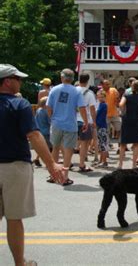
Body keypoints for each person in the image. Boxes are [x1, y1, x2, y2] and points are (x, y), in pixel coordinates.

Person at [0, 64, 65, 266]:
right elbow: (34, 135)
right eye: (17, 78)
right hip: (15, 166)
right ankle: (20, 263)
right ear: (7, 81)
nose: (21, 81)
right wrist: (52, 164)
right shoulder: (20, 105)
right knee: (14, 218)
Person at [46, 68, 88, 186]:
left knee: (55, 147)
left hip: (56, 123)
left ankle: (53, 175)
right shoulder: (76, 91)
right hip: (70, 123)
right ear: (72, 79)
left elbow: (48, 107)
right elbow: (82, 108)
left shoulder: (54, 89)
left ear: (62, 77)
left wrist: (52, 118)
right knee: (68, 149)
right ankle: (64, 176)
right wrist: (85, 122)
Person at [118, 80, 138, 169]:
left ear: (132, 87)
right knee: (136, 143)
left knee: (123, 143)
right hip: (137, 120)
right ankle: (134, 165)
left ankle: (120, 164)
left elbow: (120, 104)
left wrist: (123, 111)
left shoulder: (127, 96)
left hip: (127, 119)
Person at [76, 73, 96, 172]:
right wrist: (94, 121)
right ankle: (81, 164)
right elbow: (92, 109)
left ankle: (67, 162)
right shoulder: (89, 93)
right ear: (88, 81)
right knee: (85, 143)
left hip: (72, 119)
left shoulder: (73, 91)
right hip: (85, 120)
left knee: (69, 142)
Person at [33, 97, 51, 167]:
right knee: (50, 148)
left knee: (44, 147)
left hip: (40, 130)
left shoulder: (38, 110)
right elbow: (49, 122)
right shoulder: (46, 112)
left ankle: (37, 159)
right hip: (47, 131)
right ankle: (49, 163)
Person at [95, 90, 109, 168]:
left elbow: (97, 113)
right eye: (99, 97)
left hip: (102, 126)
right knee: (101, 144)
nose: (100, 98)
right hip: (100, 126)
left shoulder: (103, 105)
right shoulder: (100, 104)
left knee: (103, 144)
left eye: (102, 97)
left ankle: (104, 161)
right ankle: (101, 161)